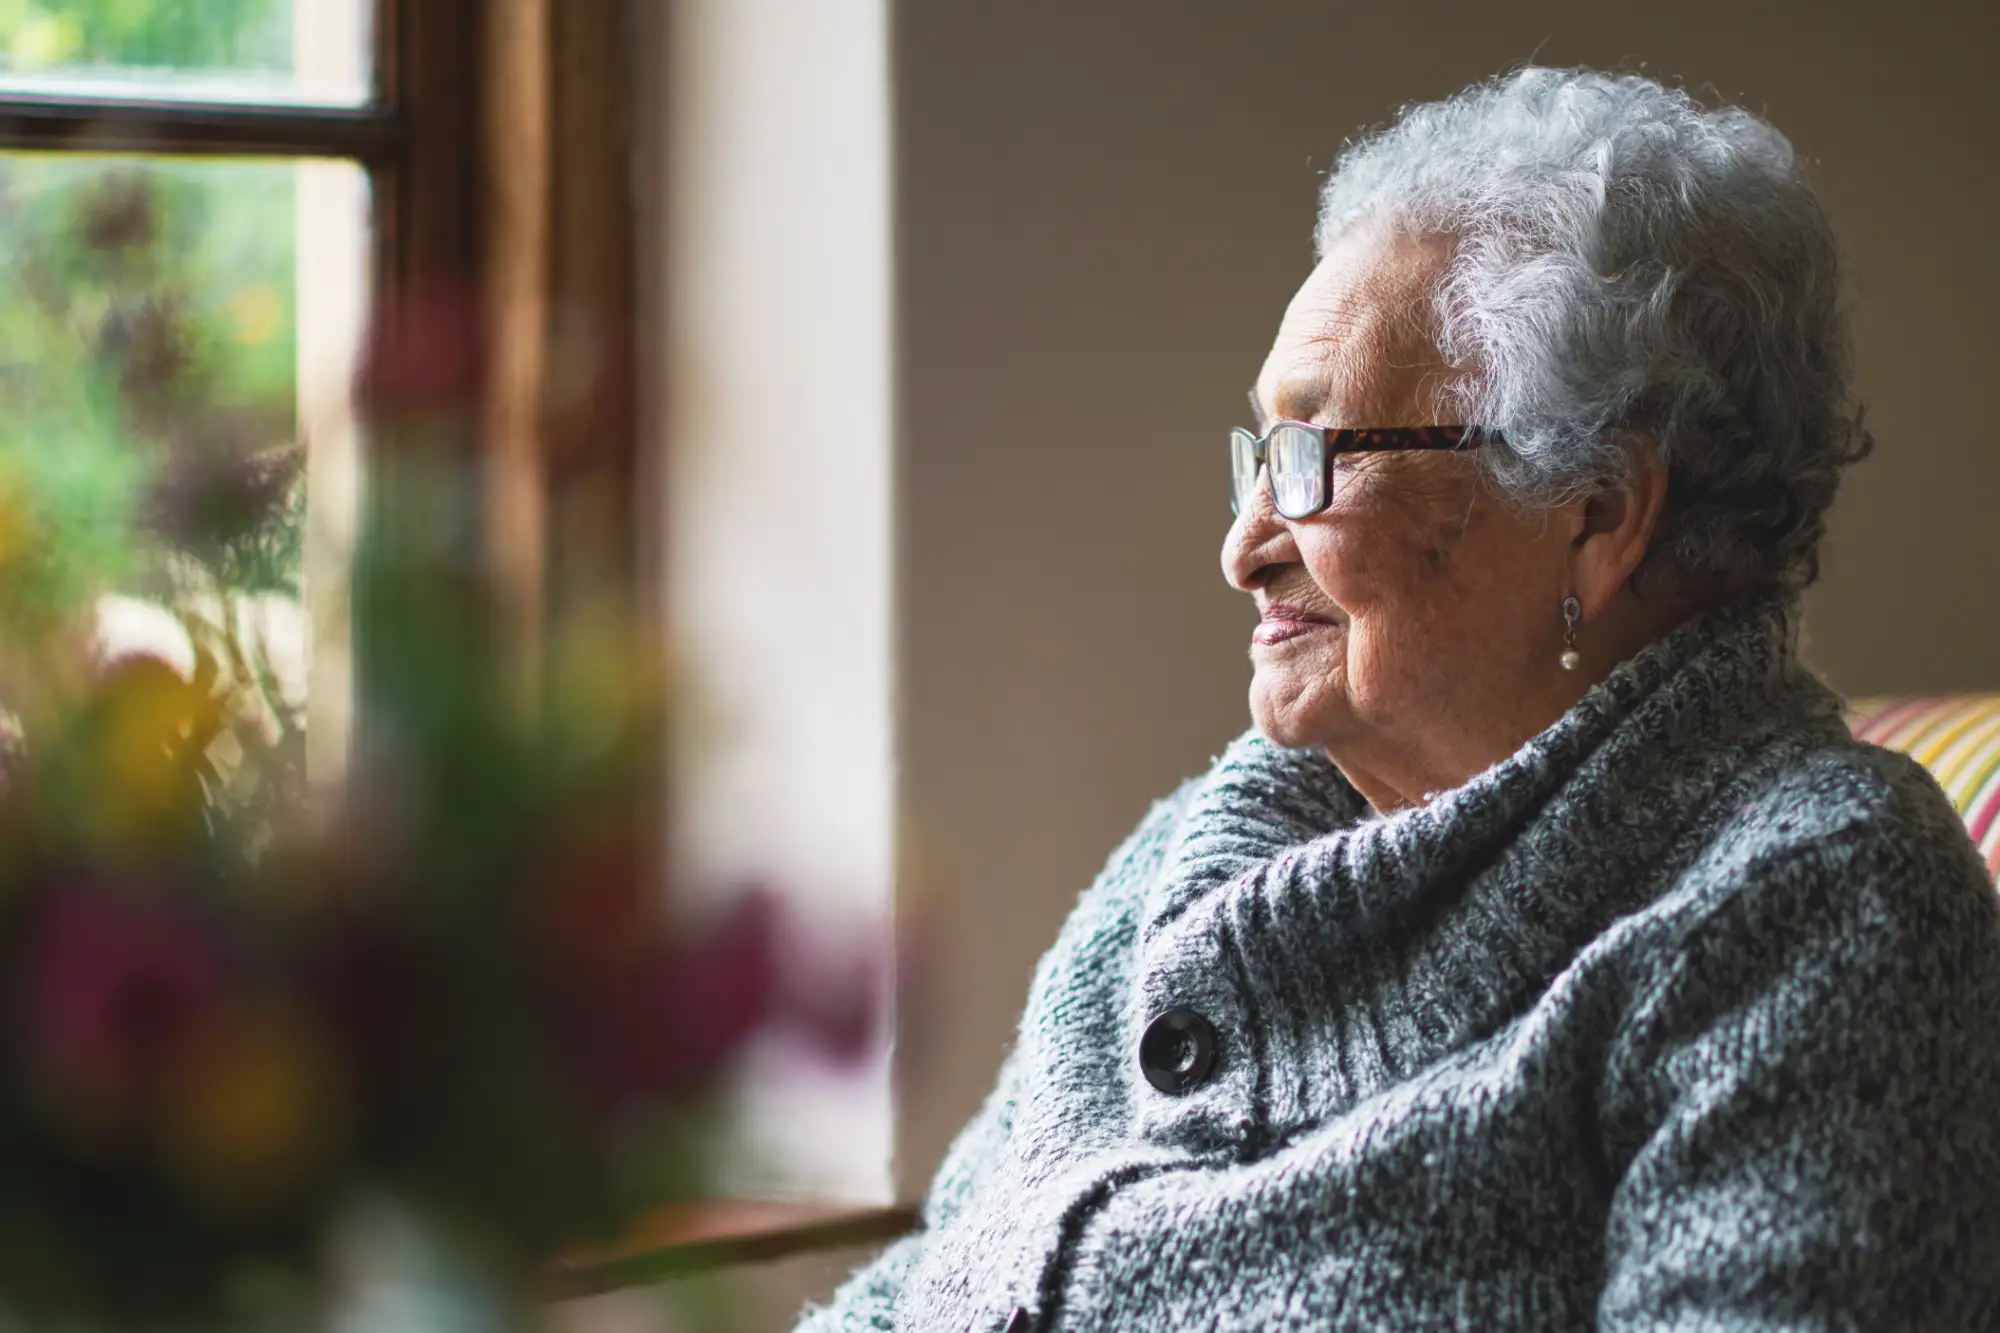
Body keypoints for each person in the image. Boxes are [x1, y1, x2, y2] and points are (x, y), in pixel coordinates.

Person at [798, 67, 2000, 1331]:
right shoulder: (1187, 861)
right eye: (1255, 456)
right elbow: (923, 1281)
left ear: (1593, 510)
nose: (1242, 544)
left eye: (1316, 454)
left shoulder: (1808, 904)